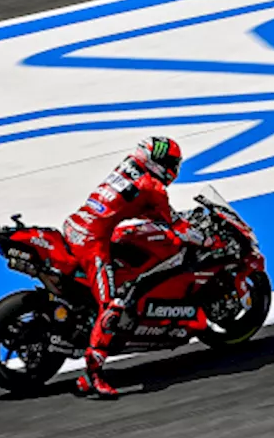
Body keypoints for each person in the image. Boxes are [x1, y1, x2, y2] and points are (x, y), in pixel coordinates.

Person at [63, 136, 184, 399]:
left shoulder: (127, 166)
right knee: (112, 305)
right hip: (92, 241)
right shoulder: (153, 185)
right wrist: (204, 238)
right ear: (159, 162)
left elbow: (129, 206)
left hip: (76, 225)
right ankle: (93, 375)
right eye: (172, 163)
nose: (174, 169)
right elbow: (173, 223)